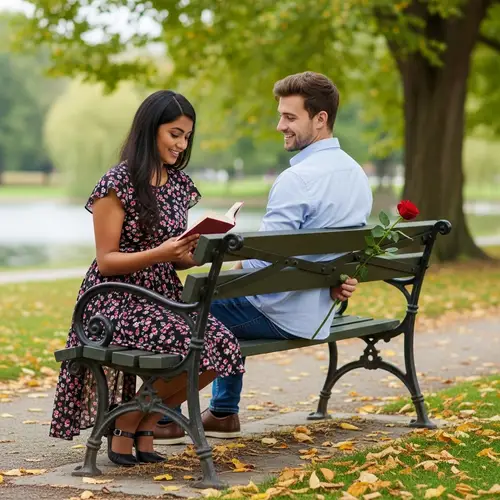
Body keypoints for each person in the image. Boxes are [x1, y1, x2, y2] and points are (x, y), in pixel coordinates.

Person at [154, 71, 372, 443]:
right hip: (319, 311)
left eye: (290, 117)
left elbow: (261, 266)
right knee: (222, 302)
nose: (279, 126)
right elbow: (347, 253)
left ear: (320, 119)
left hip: (282, 312)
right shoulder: (356, 175)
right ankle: (222, 412)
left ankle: (163, 416)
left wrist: (234, 264)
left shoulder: (297, 179)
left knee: (177, 311)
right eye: (280, 115)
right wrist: (338, 279)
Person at [49, 90, 245, 466]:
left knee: (221, 346)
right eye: (174, 134)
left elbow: (172, 257)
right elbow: (107, 261)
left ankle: (143, 419)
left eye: (186, 136)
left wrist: (197, 251)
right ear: (149, 130)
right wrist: (164, 252)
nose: (181, 144)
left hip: (162, 297)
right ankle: (127, 423)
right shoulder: (116, 183)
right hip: (114, 300)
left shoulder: (178, 185)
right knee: (198, 345)